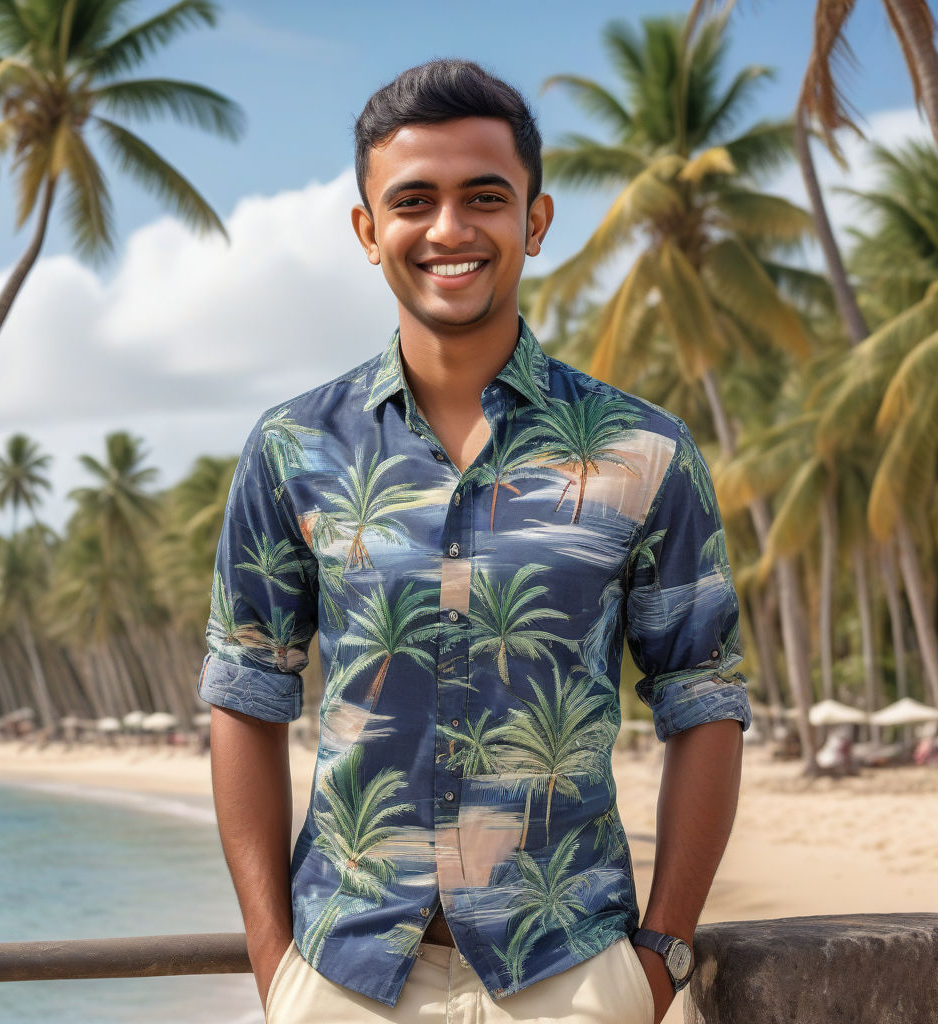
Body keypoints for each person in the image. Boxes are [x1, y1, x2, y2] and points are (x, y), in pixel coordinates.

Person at [199, 59, 751, 1024]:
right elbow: (247, 694)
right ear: (370, 232)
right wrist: (275, 962)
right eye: (413, 200)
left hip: (572, 973)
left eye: (484, 197)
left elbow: (703, 697)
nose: (449, 229)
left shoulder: (644, 450)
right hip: (346, 977)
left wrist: (659, 957)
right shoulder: (294, 449)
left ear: (534, 222)